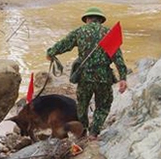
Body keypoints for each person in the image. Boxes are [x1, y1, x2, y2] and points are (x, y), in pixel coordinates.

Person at [45, 7, 127, 139]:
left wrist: (51, 53)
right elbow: (118, 58)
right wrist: (123, 78)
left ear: (87, 19)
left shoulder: (80, 31)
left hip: (84, 77)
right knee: (103, 106)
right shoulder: (109, 34)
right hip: (104, 77)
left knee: (82, 105)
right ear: (100, 20)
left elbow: (64, 44)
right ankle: (94, 133)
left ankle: (82, 132)